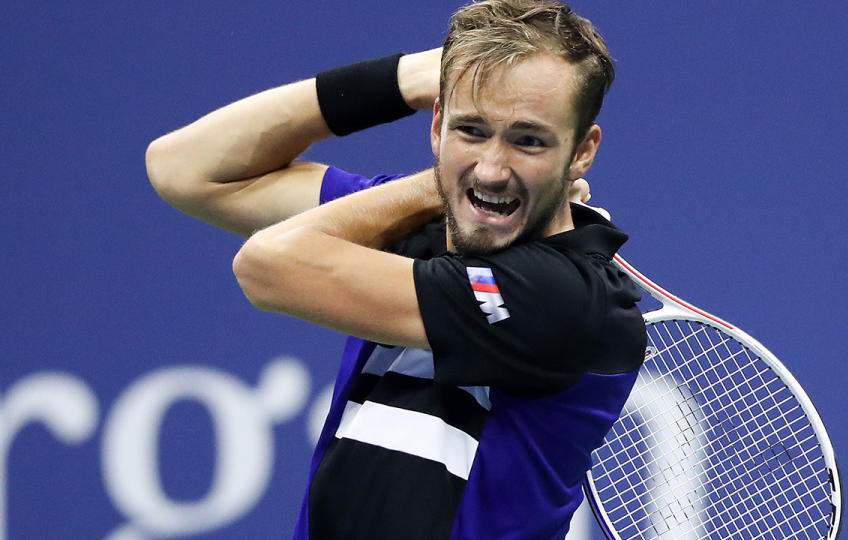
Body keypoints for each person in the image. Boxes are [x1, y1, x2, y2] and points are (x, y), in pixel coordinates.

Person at [146, 0, 647, 538]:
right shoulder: (405, 219)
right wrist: (407, 78)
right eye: (471, 130)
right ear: (437, 123)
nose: (494, 170)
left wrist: (449, 180)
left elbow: (265, 264)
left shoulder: (567, 298)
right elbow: (184, 168)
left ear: (581, 152)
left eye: (528, 140)